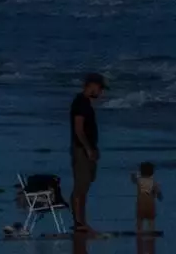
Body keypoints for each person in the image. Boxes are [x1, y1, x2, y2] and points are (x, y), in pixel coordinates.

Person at [69, 72, 107, 234]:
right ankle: (79, 222)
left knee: (85, 186)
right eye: (100, 88)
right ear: (92, 86)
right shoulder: (80, 104)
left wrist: (93, 148)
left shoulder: (85, 103)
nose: (101, 92)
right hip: (81, 150)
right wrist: (88, 148)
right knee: (81, 186)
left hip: (87, 149)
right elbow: (79, 129)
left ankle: (81, 221)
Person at [131, 161, 163, 235]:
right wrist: (158, 196)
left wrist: (135, 174)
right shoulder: (154, 182)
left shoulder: (139, 180)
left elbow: (133, 179)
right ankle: (151, 232)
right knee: (151, 221)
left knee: (139, 219)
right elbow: (159, 195)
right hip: (150, 205)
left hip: (141, 205)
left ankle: (139, 231)